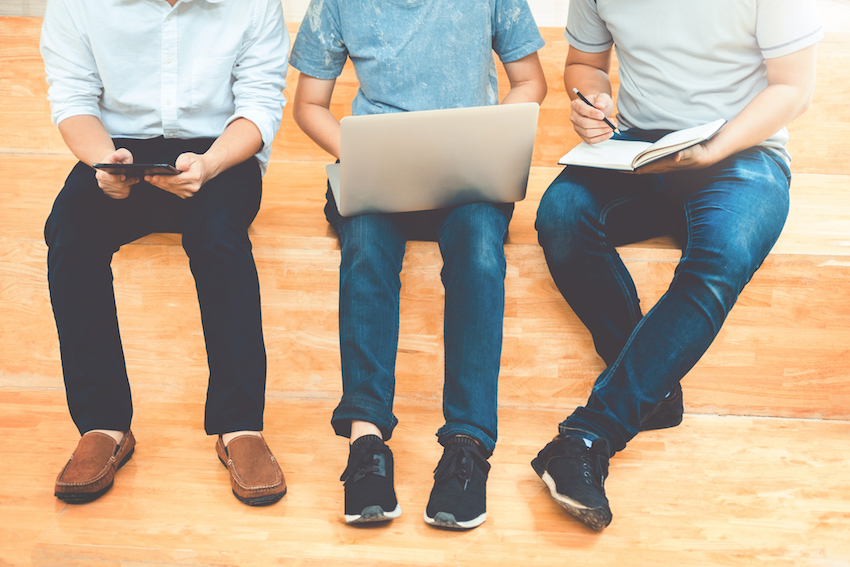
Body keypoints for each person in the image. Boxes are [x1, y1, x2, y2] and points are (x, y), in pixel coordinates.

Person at [532, 0, 822, 531]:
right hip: (641, 149)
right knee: (561, 216)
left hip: (744, 151)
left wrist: (712, 148)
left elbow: (793, 88)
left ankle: (588, 435)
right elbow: (584, 61)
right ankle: (653, 393)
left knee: (723, 255)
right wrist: (589, 99)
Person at [289, 0, 547, 529]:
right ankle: (367, 445)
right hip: (378, 173)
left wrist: (487, 137)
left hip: (469, 174)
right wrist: (363, 156)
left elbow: (529, 82)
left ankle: (467, 447)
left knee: (479, 252)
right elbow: (309, 104)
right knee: (363, 248)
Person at [41, 0, 290, 506]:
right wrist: (102, 163)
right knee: (69, 230)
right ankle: (104, 426)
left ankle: (240, 427)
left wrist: (212, 163)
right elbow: (73, 99)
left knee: (218, 234)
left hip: (219, 149)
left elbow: (260, 105)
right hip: (117, 147)